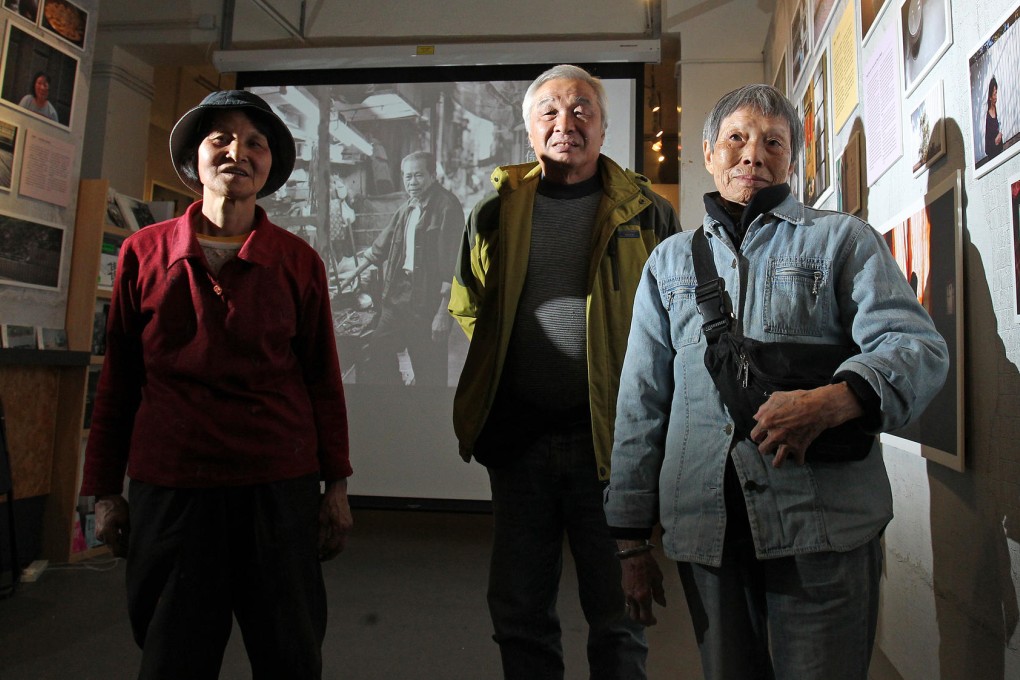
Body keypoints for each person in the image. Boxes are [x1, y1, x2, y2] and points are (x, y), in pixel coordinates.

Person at [604, 84, 949, 680]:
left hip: (823, 525)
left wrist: (838, 399)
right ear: (709, 152)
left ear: (791, 159)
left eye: (773, 142)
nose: (752, 155)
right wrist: (631, 538)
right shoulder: (668, 263)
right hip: (705, 527)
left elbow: (915, 346)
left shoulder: (843, 239)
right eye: (736, 138)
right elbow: (641, 401)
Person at [80, 90, 353, 679]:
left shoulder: (298, 261)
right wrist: (104, 490)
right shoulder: (142, 254)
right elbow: (119, 380)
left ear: (270, 165)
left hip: (278, 489)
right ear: (193, 160)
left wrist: (336, 484)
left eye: (254, 142)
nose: (238, 152)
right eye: (220, 139)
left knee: (290, 655)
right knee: (172, 657)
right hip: (174, 489)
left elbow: (322, 380)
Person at [449, 64, 679, 679]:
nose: (565, 123)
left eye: (581, 110)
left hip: (610, 447)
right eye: (549, 111)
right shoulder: (495, 211)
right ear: (529, 129)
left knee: (618, 617)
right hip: (519, 442)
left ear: (604, 127)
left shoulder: (648, 213)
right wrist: (520, 360)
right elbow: (471, 303)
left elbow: (675, 324)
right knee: (520, 612)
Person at [342, 151, 463, 386]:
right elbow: (381, 246)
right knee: (378, 350)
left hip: (427, 302)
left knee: (429, 370)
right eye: (407, 177)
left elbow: (452, 266)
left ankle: (428, 417)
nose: (412, 182)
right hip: (398, 296)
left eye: (418, 175)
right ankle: (398, 402)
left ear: (433, 175)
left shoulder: (447, 207)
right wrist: (351, 276)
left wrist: (442, 315)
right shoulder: (407, 207)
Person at [986, 76, 1004, 159]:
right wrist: (995, 142)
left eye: (996, 93)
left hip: (1001, 151)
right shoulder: (987, 118)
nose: (996, 97)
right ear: (990, 97)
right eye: (994, 94)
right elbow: (987, 148)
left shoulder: (997, 110)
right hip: (993, 157)